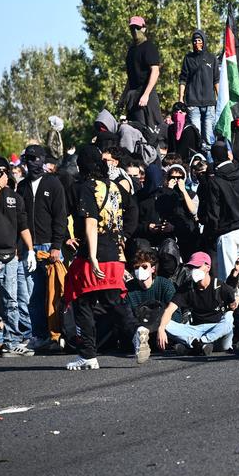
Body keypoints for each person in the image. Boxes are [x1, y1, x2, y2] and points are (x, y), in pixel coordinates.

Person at [64, 145, 141, 370]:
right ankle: (137, 330)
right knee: (113, 300)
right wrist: (124, 235)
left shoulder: (84, 187)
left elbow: (90, 222)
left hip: (94, 255)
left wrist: (92, 256)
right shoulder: (115, 187)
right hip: (116, 254)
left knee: (82, 300)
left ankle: (88, 353)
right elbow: (133, 208)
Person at [0, 156, 37, 356]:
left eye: (5, 170)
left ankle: (12, 342)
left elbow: (23, 226)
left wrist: (30, 250)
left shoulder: (15, 197)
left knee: (11, 302)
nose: (2, 174)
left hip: (10, 257)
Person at [15, 145, 67, 352]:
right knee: (32, 295)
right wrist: (22, 247)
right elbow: (20, 219)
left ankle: (59, 335)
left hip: (49, 247)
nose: (32, 163)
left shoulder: (53, 184)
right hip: (29, 249)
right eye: (28, 159)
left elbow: (60, 217)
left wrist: (56, 246)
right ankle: (39, 335)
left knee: (56, 294)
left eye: (35, 159)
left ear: (43, 160)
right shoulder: (22, 187)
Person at [157, 252, 236, 356]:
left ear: (208, 267)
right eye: (191, 267)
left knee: (231, 317)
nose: (194, 270)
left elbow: (233, 308)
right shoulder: (187, 288)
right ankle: (199, 345)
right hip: (195, 330)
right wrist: (161, 329)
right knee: (164, 322)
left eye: (197, 266)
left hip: (217, 330)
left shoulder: (220, 286)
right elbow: (169, 310)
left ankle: (197, 344)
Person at [201, 142, 239, 281]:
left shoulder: (215, 180)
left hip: (226, 234)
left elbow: (214, 211)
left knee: (227, 278)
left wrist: (211, 233)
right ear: (228, 154)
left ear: (213, 157)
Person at [178, 29, 219, 152]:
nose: (197, 43)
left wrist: (219, 98)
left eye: (199, 40)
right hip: (193, 102)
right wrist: (180, 98)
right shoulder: (188, 58)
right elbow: (183, 79)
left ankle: (210, 163)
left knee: (209, 135)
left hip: (209, 103)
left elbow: (216, 79)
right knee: (196, 134)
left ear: (204, 42)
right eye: (195, 41)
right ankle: (197, 160)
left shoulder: (211, 58)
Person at [122, 16, 163, 140]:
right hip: (133, 96)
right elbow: (131, 77)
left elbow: (155, 71)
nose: (135, 31)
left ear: (144, 29)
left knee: (151, 134)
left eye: (138, 28)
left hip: (147, 96)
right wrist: (123, 97)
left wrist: (146, 94)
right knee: (134, 132)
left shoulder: (149, 47)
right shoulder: (131, 51)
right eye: (132, 28)